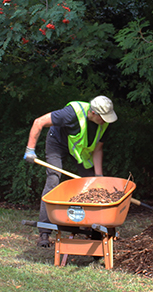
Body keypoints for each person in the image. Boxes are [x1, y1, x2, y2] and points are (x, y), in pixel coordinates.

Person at [23, 95, 118, 247]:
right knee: (53, 179)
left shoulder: (105, 123)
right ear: (93, 113)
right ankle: (44, 233)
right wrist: (30, 150)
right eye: (103, 117)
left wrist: (98, 176)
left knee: (93, 186)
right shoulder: (72, 113)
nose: (106, 120)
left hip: (78, 150)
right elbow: (39, 122)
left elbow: (98, 149)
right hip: (58, 143)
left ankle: (93, 230)